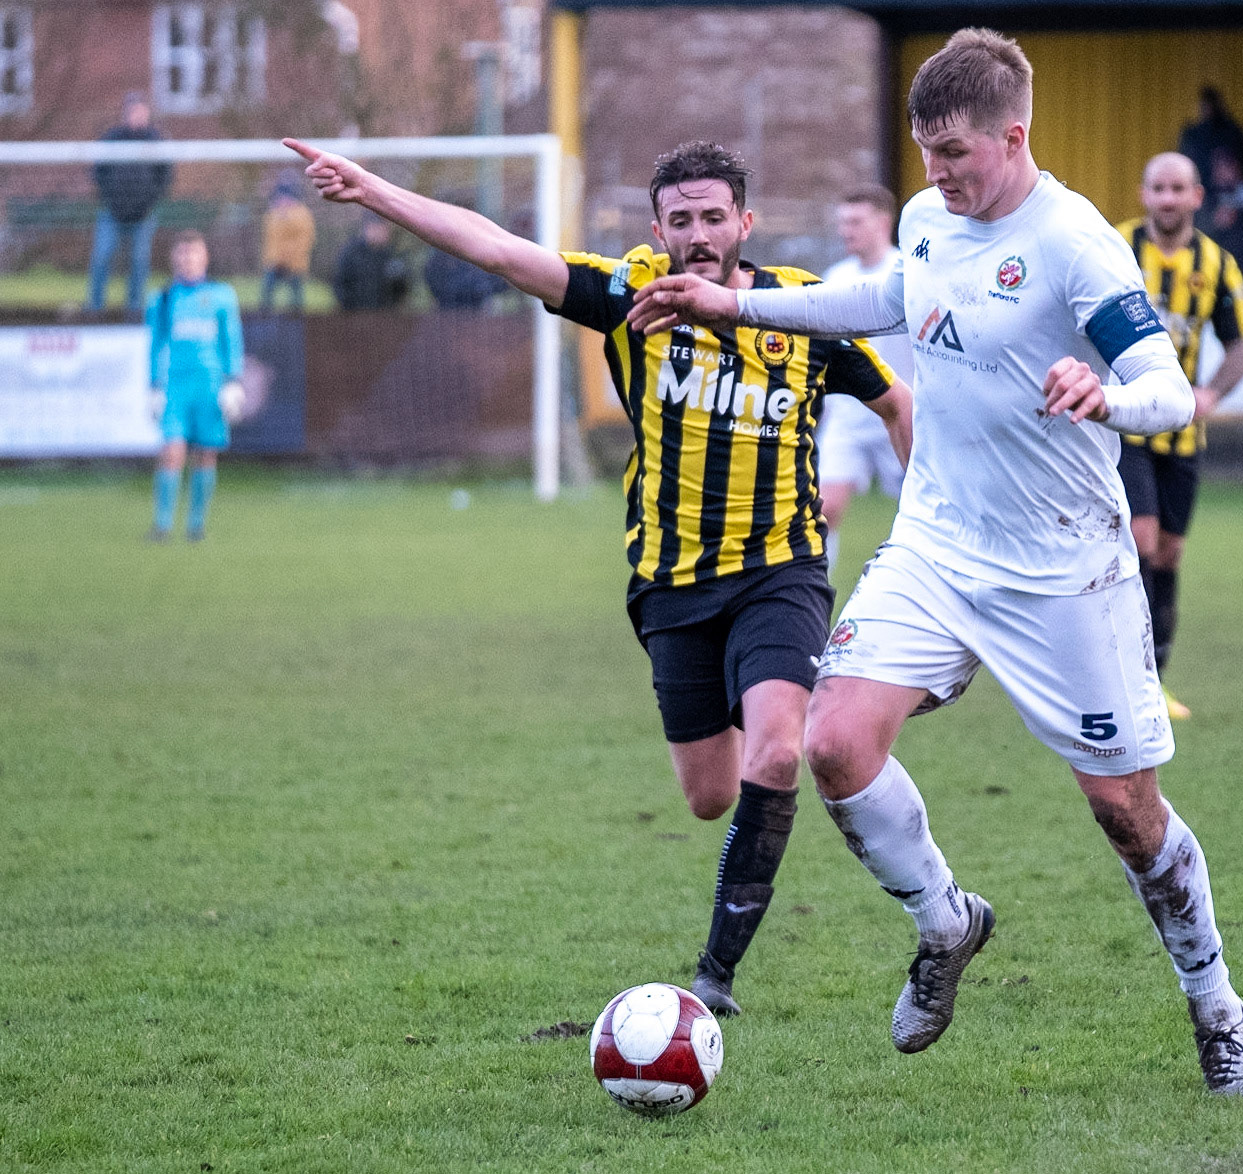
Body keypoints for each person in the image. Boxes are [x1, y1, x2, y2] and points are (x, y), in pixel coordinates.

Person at [630, 28, 1243, 1096]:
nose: (937, 177)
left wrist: (1106, 393)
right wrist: (733, 303)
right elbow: (877, 307)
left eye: (957, 156)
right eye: (927, 155)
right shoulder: (928, 220)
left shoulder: (1077, 245)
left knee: (1125, 812)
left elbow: (1163, 381)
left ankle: (1215, 1003)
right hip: (936, 543)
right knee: (831, 742)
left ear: (1012, 137)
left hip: (1064, 566)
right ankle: (945, 920)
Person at [283, 134, 912, 1018]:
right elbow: (497, 249)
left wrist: (930, 533)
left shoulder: (803, 312)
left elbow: (897, 404)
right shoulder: (627, 294)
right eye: (681, 219)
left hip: (782, 570)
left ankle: (715, 979)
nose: (699, 234)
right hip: (671, 585)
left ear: (746, 222)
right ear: (658, 226)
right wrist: (374, 192)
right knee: (710, 796)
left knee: (781, 748)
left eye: (714, 217)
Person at [1113, 152, 1243, 723]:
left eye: (1178, 189)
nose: (1167, 199)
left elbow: (1240, 350)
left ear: (1197, 196)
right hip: (1126, 425)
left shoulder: (1218, 265)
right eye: (1157, 189)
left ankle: (1156, 682)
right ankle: (1132, 683)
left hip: (1184, 437)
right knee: (1141, 543)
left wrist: (1213, 393)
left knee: (1169, 554)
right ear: (1144, 194)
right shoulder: (1116, 248)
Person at [818, 185, 913, 570]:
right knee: (822, 511)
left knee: (921, 516)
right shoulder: (835, 277)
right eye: (842, 222)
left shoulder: (907, 272)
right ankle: (812, 600)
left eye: (855, 221)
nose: (846, 230)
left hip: (904, 408)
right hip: (849, 415)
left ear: (884, 222)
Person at [145, 230, 243, 543]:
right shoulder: (161, 298)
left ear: (204, 257)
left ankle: (196, 526)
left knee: (206, 453)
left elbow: (232, 340)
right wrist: (153, 386)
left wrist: (232, 381)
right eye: (182, 254)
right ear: (174, 259)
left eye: (193, 254)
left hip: (210, 386)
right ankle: (162, 525)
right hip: (175, 387)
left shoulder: (222, 296)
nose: (188, 260)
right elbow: (155, 345)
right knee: (172, 451)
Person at [87, 93, 172, 312]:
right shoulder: (112, 137)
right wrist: (111, 198)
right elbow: (98, 171)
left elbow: (165, 176)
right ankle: (95, 307)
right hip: (112, 213)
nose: (136, 116)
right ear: (125, 114)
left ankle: (134, 309)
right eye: (132, 111)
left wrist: (148, 202)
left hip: (143, 215)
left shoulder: (155, 140)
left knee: (139, 263)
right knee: (101, 258)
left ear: (147, 113)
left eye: (140, 111)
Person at [1200, 148, 1243, 280]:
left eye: (1227, 166)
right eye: (1218, 167)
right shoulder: (1202, 201)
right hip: (1209, 274)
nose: (1222, 172)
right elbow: (1193, 235)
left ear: (1238, 169)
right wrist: (1214, 223)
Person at [1177, 86, 1243, 194]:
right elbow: (1183, 161)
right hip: (1199, 188)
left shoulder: (1233, 133)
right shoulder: (1192, 134)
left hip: (1230, 192)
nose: (1207, 109)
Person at [260, 175, 316, 312]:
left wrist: (289, 259)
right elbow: (270, 239)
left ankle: (297, 322)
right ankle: (265, 321)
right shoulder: (273, 214)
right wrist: (273, 260)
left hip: (295, 265)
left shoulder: (302, 215)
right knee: (266, 297)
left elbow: (305, 240)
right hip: (274, 263)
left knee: (296, 300)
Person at [333, 217, 410, 311]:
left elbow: (401, 290)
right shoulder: (351, 253)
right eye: (378, 229)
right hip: (356, 315)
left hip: (385, 316)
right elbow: (340, 283)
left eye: (384, 230)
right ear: (368, 228)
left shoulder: (391, 255)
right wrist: (350, 308)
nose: (381, 233)